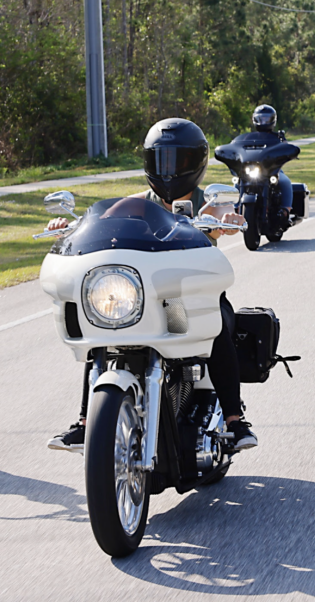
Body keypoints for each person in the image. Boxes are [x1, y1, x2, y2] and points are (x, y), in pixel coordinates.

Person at [45, 118, 258, 453]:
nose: (170, 170)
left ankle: (234, 419)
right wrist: (69, 229)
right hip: (145, 298)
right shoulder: (135, 204)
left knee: (217, 327)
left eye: (180, 161)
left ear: (197, 163)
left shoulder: (209, 203)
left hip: (190, 300)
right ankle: (87, 423)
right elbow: (101, 225)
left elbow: (226, 219)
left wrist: (229, 220)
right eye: (162, 160)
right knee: (99, 332)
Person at [250, 104, 296, 227]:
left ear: (272, 120)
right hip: (253, 170)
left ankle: (286, 210)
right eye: (261, 118)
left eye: (266, 118)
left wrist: (289, 152)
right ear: (255, 119)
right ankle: (236, 208)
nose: (263, 121)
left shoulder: (277, 137)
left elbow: (286, 148)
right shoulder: (250, 138)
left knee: (285, 182)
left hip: (273, 171)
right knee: (237, 183)